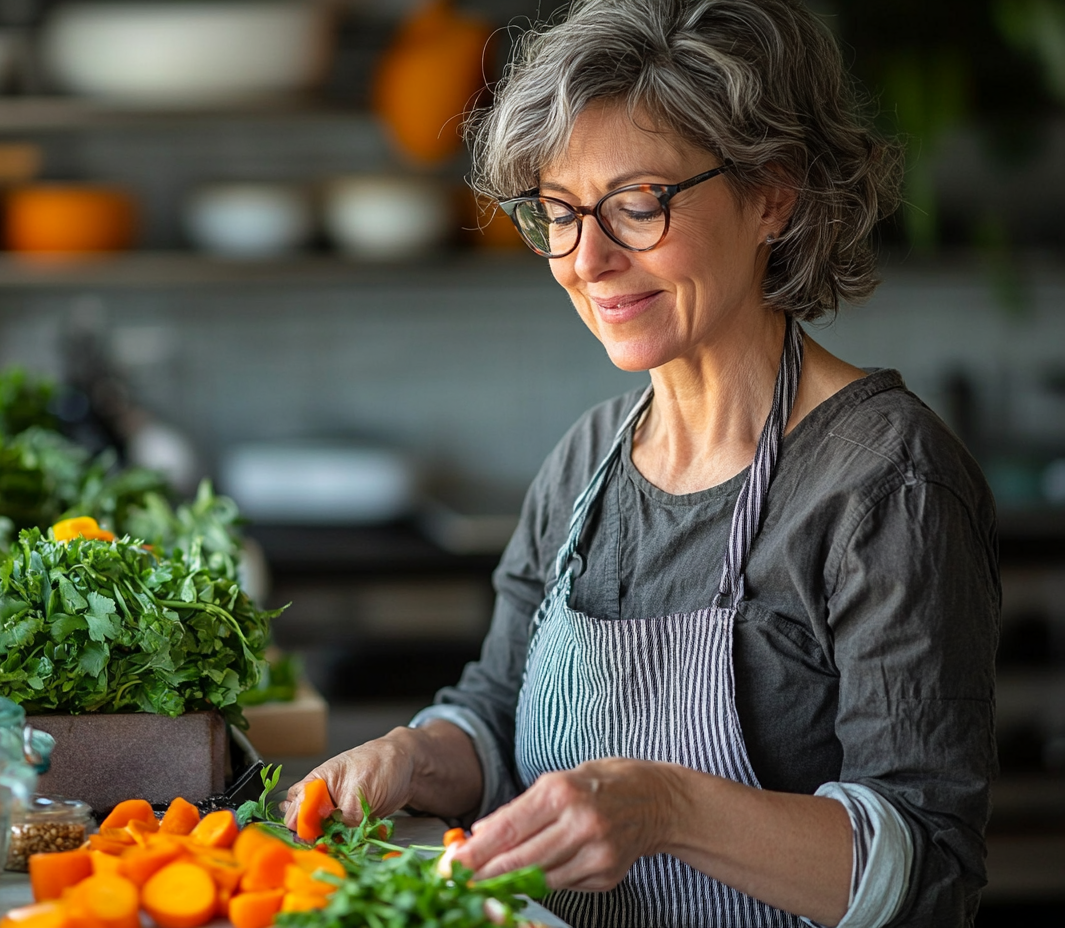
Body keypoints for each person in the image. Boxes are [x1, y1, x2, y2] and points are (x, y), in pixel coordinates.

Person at [283, 1, 1000, 925]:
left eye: (637, 205)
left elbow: (931, 871)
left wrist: (667, 811)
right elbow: (498, 716)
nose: (590, 260)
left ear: (773, 194)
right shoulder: (589, 458)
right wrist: (415, 758)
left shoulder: (884, 482)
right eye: (559, 213)